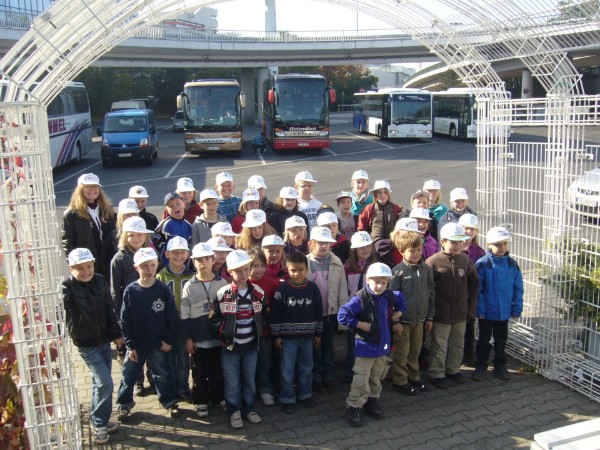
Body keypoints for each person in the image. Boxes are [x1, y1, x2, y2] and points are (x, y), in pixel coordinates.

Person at [62, 248, 123, 444]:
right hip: (86, 344)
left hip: (104, 340)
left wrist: (116, 335)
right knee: (106, 383)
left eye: (89, 266)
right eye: (80, 268)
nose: (86, 271)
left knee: (99, 383)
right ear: (71, 268)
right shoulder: (68, 287)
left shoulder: (99, 280)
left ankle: (101, 421)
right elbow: (62, 307)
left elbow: (108, 308)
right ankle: (98, 423)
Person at [338, 263, 406, 427]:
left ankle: (372, 401)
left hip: (382, 346)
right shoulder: (360, 298)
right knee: (361, 378)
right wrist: (361, 324)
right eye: (376, 282)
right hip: (365, 348)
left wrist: (399, 313)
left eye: (383, 282)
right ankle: (354, 406)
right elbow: (342, 315)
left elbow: (401, 299)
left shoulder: (388, 295)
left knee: (376, 377)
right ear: (367, 280)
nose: (380, 286)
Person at [116, 247, 181, 420]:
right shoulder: (130, 291)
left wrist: (168, 340)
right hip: (136, 344)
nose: (149, 270)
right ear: (136, 268)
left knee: (162, 373)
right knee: (128, 374)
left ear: (157, 265)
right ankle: (124, 404)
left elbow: (172, 317)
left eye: (152, 265)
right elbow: (125, 320)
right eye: (144, 266)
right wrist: (130, 345)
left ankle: (168, 401)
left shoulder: (163, 289)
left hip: (158, 343)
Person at [210, 250, 267, 429]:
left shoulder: (258, 292)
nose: (243, 274)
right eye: (238, 271)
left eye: (245, 269)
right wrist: (224, 332)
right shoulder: (222, 294)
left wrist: (260, 329)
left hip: (250, 346)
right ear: (229, 272)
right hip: (230, 348)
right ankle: (234, 410)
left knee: (249, 379)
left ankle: (249, 408)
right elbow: (214, 318)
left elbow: (265, 314)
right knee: (232, 381)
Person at [425, 223, 479, 390]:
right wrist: (430, 313)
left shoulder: (465, 259)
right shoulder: (433, 262)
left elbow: (473, 284)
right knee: (439, 344)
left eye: (460, 242)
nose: (457, 246)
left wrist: (471, 308)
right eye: (453, 242)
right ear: (443, 241)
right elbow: (428, 289)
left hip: (461, 313)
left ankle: (453, 369)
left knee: (457, 343)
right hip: (441, 314)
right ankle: (437, 372)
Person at [271, 252, 323, 414]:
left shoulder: (313, 289)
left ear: (307, 269)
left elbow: (318, 311)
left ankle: (305, 394)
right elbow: (276, 314)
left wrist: (318, 333)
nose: (297, 273)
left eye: (301, 270)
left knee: (306, 367)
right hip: (288, 339)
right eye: (293, 270)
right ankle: (287, 397)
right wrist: (276, 336)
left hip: (307, 337)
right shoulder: (283, 289)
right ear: (287, 269)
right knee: (287, 369)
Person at [180, 242, 228, 417]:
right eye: (198, 259)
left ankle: (218, 398)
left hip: (217, 338)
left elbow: (227, 311)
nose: (203, 263)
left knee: (217, 371)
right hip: (198, 340)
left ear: (213, 260)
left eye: (206, 258)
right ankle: (200, 401)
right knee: (199, 374)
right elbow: (184, 315)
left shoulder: (222, 283)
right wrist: (188, 339)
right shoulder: (189, 286)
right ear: (193, 262)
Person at [472, 227, 524, 381]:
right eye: (498, 245)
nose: (502, 248)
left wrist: (517, 308)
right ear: (489, 245)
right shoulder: (482, 264)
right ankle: (481, 366)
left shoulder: (512, 265)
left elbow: (518, 288)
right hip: (487, 312)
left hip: (504, 312)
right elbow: (477, 290)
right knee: (483, 340)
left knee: (501, 340)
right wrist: (479, 309)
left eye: (504, 244)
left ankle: (500, 365)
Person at [389, 234, 435, 395]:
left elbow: (431, 294)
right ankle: (400, 380)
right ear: (401, 251)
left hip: (420, 320)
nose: (416, 253)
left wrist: (429, 316)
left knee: (415, 350)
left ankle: (414, 377)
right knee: (402, 351)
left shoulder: (427, 270)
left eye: (418, 249)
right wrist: (395, 321)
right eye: (411, 251)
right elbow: (392, 299)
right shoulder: (397, 272)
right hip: (403, 322)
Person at [307, 226, 349, 392]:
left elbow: (342, 289)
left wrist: (342, 311)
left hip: (330, 313)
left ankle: (329, 375)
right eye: (320, 243)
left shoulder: (336, 262)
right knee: (314, 346)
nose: (324, 246)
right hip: (313, 314)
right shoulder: (306, 263)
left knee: (328, 345)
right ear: (311, 244)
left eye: (327, 243)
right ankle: (316, 376)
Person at [156, 236, 195, 401]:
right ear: (167, 254)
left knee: (184, 360)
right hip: (167, 327)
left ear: (187, 255)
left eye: (182, 252)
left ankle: (183, 387)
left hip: (185, 325)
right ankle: (171, 389)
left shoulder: (192, 276)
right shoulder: (161, 277)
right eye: (174, 253)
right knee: (170, 361)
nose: (178, 256)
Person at [62, 173, 116, 278]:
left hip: (108, 262)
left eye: (95, 186)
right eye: (88, 186)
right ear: (80, 189)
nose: (92, 189)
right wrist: (76, 265)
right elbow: (68, 243)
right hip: (87, 266)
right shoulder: (71, 214)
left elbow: (115, 234)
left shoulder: (107, 209)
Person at [342, 231, 377, 383]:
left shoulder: (376, 267)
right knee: (353, 344)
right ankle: (351, 373)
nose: (365, 250)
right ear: (354, 250)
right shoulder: (348, 268)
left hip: (371, 313)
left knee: (370, 342)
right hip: (355, 313)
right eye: (361, 247)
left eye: (368, 246)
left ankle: (369, 373)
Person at [247, 248, 280, 407]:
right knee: (249, 364)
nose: (258, 269)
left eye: (261, 265)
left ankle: (266, 390)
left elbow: (276, 307)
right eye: (254, 266)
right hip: (245, 333)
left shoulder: (271, 284)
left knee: (265, 363)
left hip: (265, 333)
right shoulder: (242, 284)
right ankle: (250, 390)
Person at [458, 213, 485, 366]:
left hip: (470, 293)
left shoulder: (479, 252)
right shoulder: (455, 246)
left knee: (469, 324)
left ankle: (469, 354)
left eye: (472, 229)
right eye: (465, 228)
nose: (468, 232)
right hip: (456, 292)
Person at [101, 198, 140, 275]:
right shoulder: (113, 236)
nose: (131, 217)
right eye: (127, 215)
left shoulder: (144, 234)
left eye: (134, 214)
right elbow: (105, 261)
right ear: (120, 217)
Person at [153, 192, 193, 265]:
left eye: (178, 203)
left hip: (184, 268)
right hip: (167, 269)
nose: (175, 207)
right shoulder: (165, 225)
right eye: (171, 206)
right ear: (167, 210)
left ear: (184, 204)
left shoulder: (188, 225)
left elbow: (190, 246)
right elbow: (155, 246)